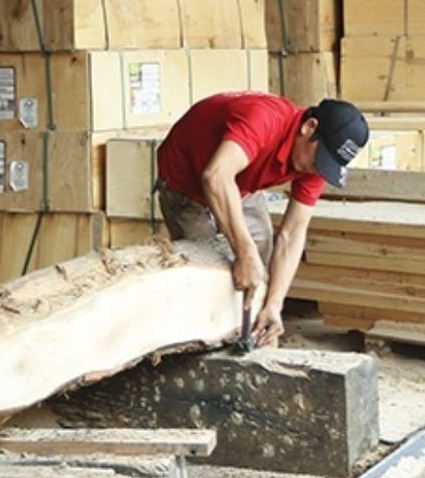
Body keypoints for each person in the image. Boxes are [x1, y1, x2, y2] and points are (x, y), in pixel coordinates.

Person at [155, 92, 368, 347]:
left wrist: (275, 303)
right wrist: (244, 254)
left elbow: (292, 233)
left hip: (240, 183)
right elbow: (216, 177)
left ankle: (259, 336)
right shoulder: (263, 118)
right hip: (187, 185)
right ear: (309, 127)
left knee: (259, 263)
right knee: (207, 277)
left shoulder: (316, 163)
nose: (319, 168)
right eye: (320, 158)